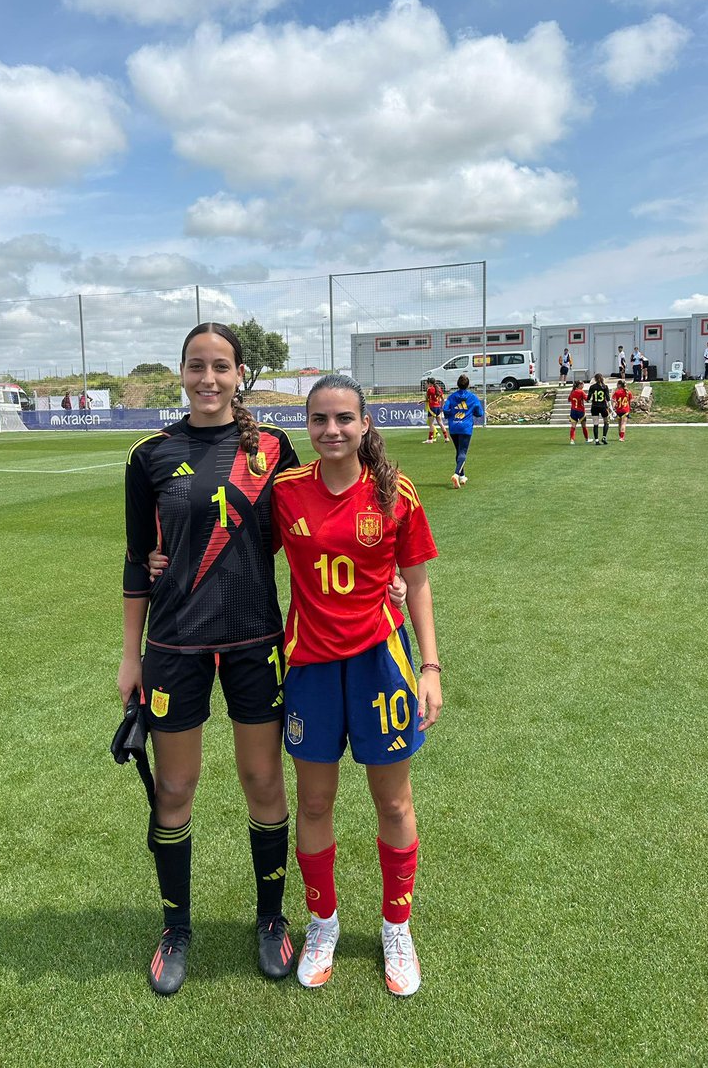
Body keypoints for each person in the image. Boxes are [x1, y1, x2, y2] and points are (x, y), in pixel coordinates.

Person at [118, 322, 300, 996]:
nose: (208, 379)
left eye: (220, 367)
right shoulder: (150, 457)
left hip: (255, 640)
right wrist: (130, 656)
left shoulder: (277, 451)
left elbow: (305, 538)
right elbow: (139, 559)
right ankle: (177, 928)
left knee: (262, 782)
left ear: (239, 373)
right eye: (197, 366)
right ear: (182, 373)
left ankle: (272, 920)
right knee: (174, 789)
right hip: (173, 647)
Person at [270, 374, 441, 998]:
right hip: (310, 668)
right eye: (319, 420)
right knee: (314, 804)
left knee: (393, 803)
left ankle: (397, 928)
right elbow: (234, 542)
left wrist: (430, 668)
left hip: (381, 665)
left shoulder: (396, 492)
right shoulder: (286, 493)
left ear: (365, 423)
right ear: (307, 427)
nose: (332, 430)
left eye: (344, 418)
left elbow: (416, 583)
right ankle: (323, 923)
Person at [442, 374, 485, 488]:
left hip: (454, 427)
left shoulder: (452, 397)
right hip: (465, 427)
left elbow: (445, 409)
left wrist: (450, 415)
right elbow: (479, 413)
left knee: (458, 451)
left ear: (457, 384)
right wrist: (471, 412)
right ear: (468, 385)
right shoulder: (472, 397)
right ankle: (456, 474)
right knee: (463, 452)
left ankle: (462, 476)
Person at [422, 378, 450, 445]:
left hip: (432, 408)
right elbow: (443, 399)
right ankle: (446, 438)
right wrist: (441, 407)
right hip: (438, 407)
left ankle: (430, 439)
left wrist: (423, 400)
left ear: (429, 383)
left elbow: (428, 399)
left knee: (431, 424)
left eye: (426, 383)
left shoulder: (429, 389)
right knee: (441, 423)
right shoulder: (439, 389)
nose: (426, 385)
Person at [587, 373, 611, 444]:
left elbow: (588, 398)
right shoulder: (605, 387)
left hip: (594, 406)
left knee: (595, 424)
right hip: (603, 406)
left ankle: (597, 440)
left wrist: (590, 400)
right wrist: (611, 409)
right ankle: (604, 437)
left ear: (595, 379)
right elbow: (608, 399)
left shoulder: (592, 387)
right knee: (606, 422)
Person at [568, 380, 589, 444]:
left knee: (573, 426)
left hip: (573, 411)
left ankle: (572, 440)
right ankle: (587, 439)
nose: (583, 386)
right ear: (579, 385)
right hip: (580, 411)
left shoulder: (572, 392)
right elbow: (587, 399)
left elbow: (569, 400)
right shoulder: (581, 392)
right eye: (582, 384)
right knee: (584, 426)